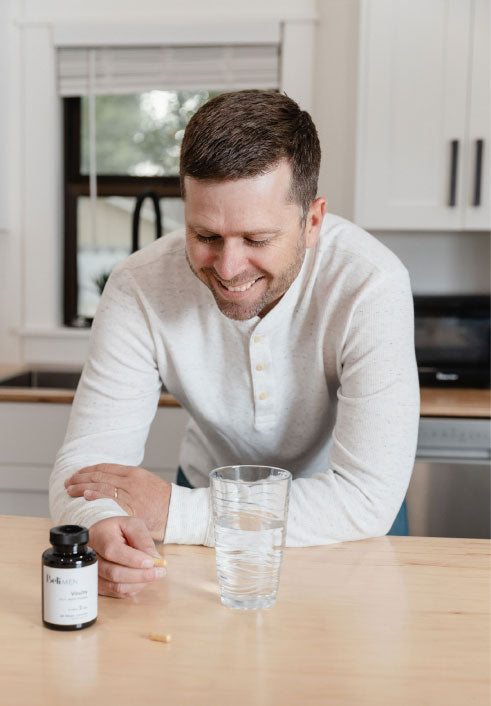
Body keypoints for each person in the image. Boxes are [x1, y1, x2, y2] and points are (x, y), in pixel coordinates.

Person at [50, 90, 420, 598]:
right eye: (205, 235)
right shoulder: (138, 286)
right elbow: (84, 466)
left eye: (257, 239)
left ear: (312, 222)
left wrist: (177, 512)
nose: (228, 269)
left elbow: (366, 497)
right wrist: (101, 522)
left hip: (343, 521)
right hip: (204, 507)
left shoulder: (371, 284)